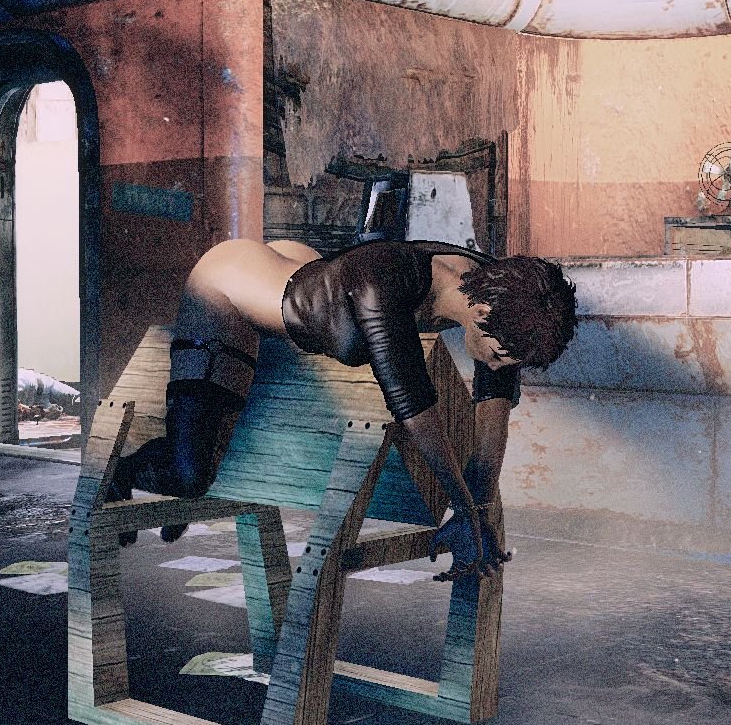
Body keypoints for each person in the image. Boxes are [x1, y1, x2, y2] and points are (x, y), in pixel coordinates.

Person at [107, 237, 578, 581]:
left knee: (213, 450)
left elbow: (494, 406)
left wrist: (479, 508)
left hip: (301, 272)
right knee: (190, 475)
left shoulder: (499, 288)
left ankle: (181, 481)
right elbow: (414, 407)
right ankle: (122, 474)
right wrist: (466, 510)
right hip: (230, 288)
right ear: (480, 315)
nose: (496, 365)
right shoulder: (382, 284)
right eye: (497, 355)